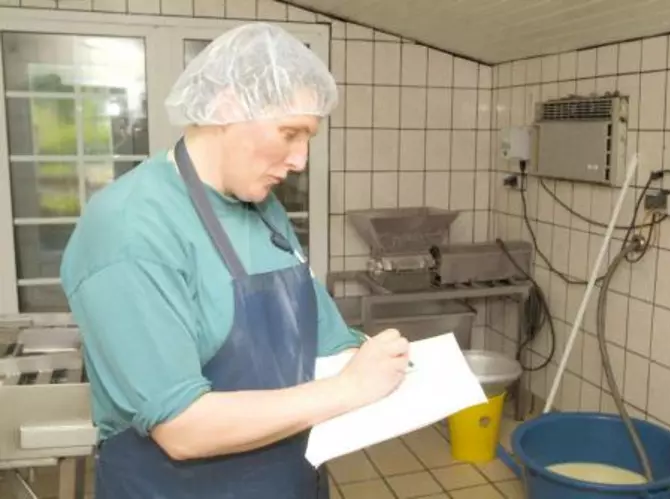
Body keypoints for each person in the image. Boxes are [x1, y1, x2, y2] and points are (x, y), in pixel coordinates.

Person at [60, 22, 410, 499]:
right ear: (226, 105)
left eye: (308, 137)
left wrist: (377, 362)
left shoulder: (261, 207)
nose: (301, 160)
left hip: (287, 480)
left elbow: (325, 341)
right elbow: (181, 428)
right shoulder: (129, 228)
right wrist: (351, 389)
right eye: (290, 133)